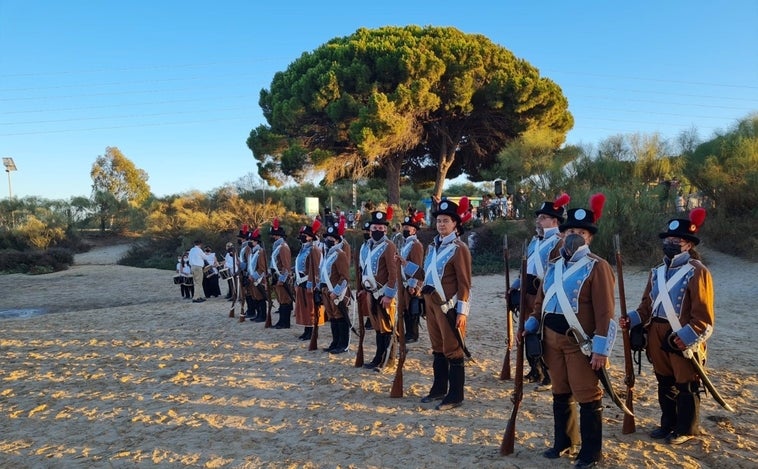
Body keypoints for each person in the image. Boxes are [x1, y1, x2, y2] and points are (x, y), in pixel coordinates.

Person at [524, 193, 616, 468]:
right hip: (550, 340)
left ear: (589, 238)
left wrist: (601, 349)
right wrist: (531, 323)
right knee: (560, 391)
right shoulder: (555, 265)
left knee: (587, 394)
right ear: (562, 235)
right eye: (570, 231)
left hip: (580, 342)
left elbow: (605, 313)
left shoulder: (598, 266)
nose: (574, 235)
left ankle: (590, 452)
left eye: (581, 232)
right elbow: (541, 300)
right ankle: (563, 441)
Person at [621, 208, 713, 446]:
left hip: (681, 335)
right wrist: (630, 319)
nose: (671, 243)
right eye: (669, 239)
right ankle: (668, 424)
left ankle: (686, 428)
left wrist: (686, 337)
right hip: (656, 333)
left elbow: (703, 317)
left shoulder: (697, 271)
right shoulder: (656, 272)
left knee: (686, 384)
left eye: (677, 240)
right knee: (664, 382)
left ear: (688, 244)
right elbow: (645, 307)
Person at [410, 197, 472, 411]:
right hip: (430, 303)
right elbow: (425, 274)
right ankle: (438, 389)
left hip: (448, 306)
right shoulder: (432, 247)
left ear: (455, 224)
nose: (441, 224)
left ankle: (455, 395)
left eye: (446, 220)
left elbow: (464, 283)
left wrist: (462, 312)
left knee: (453, 349)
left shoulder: (459, 248)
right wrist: (405, 266)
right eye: (439, 220)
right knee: (437, 349)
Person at [521, 193, 571, 391]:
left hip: (545, 293)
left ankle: (548, 374)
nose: (538, 221)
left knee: (544, 334)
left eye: (543, 217)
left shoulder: (559, 242)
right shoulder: (535, 241)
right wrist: (517, 285)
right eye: (538, 217)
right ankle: (535, 369)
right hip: (528, 292)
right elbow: (526, 266)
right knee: (528, 331)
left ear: (555, 220)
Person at [360, 207, 399, 371]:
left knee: (387, 327)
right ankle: (378, 357)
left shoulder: (389, 246)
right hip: (370, 293)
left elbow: (394, 273)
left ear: (385, 229)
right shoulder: (366, 246)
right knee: (377, 327)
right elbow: (363, 269)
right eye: (374, 228)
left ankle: (389, 359)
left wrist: (389, 295)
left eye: (381, 228)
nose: (377, 230)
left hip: (383, 294)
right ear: (370, 229)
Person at [319, 220, 353, 354]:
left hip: (337, 292)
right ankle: (335, 342)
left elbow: (345, 277)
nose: (328, 240)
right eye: (327, 237)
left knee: (340, 317)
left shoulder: (340, 254)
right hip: (327, 291)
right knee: (332, 317)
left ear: (337, 240)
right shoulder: (328, 254)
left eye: (331, 238)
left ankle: (343, 344)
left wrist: (337, 291)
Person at [398, 211, 425, 343]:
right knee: (405, 308)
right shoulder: (406, 244)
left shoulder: (416, 245)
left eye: (407, 227)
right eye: (404, 227)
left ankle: (413, 334)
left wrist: (414, 285)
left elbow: (417, 265)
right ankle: (408, 333)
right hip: (404, 282)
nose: (405, 229)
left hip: (411, 282)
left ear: (414, 230)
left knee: (412, 309)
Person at [294, 220, 324, 341]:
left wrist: (312, 284)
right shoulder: (304, 249)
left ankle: (312, 331)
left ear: (310, 238)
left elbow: (316, 269)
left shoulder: (314, 250)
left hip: (309, 282)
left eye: (305, 235)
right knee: (305, 309)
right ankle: (306, 330)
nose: (302, 237)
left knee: (311, 308)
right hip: (301, 281)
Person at [269, 218, 294, 329]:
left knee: (285, 300)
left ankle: (285, 323)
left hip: (282, 278)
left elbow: (286, 265)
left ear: (278, 236)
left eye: (274, 235)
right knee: (281, 299)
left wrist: (282, 279)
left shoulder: (283, 247)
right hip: (277, 276)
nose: (272, 237)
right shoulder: (277, 246)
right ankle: (281, 321)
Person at [244, 228, 268, 322]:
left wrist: (253, 276)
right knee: (255, 298)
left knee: (261, 297)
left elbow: (262, 268)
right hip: (252, 279)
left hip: (258, 279)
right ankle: (258, 314)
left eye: (252, 240)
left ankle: (263, 316)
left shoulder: (260, 252)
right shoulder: (251, 252)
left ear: (256, 242)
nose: (250, 242)